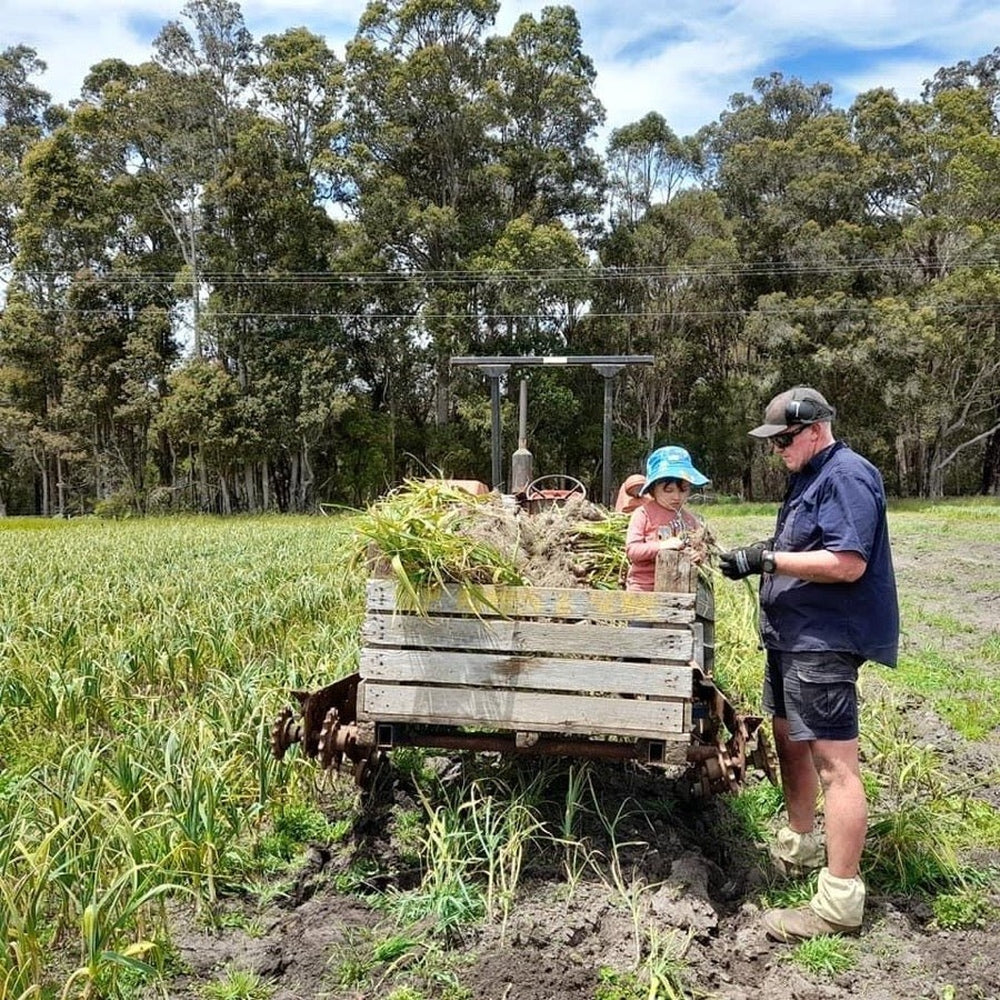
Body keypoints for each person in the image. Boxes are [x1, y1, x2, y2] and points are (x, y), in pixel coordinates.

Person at [719, 386, 899, 943]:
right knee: (788, 739)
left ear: (815, 429)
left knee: (835, 766)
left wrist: (766, 559)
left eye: (783, 440)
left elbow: (847, 562)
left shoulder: (845, 475)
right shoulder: (809, 477)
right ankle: (798, 848)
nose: (777, 450)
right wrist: (759, 555)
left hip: (824, 639)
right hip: (791, 636)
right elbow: (805, 546)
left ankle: (839, 902)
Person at [625, 446, 710, 592]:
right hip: (645, 589)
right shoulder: (643, 514)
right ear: (652, 489)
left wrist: (698, 556)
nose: (677, 497)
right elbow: (633, 550)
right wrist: (662, 546)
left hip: (681, 588)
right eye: (669, 490)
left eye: (683, 490)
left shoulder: (691, 520)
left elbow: (701, 550)